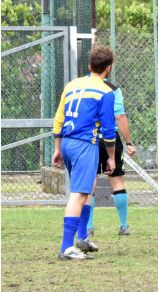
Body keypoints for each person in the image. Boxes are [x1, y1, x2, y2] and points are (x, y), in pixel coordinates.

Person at [52, 46, 117, 260]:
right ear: (109, 69)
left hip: (68, 142)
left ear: (89, 66)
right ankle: (66, 248)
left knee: (87, 189)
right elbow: (108, 129)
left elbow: (59, 118)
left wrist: (58, 148)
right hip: (84, 144)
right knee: (78, 194)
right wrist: (111, 157)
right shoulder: (106, 92)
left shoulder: (72, 85)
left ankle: (82, 239)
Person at [86, 80, 138, 238]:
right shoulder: (113, 89)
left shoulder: (83, 86)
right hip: (111, 139)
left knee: (89, 184)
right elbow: (119, 116)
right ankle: (123, 226)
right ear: (108, 67)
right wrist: (129, 143)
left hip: (89, 139)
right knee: (117, 182)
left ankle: (88, 228)